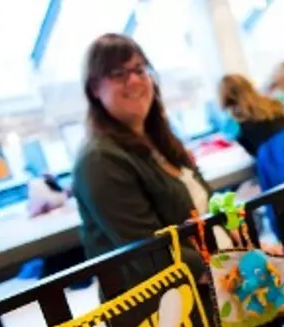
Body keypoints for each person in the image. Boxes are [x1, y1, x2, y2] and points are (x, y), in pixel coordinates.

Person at [73, 34, 216, 294]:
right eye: (118, 74)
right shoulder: (100, 159)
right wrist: (225, 267)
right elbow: (150, 252)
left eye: (139, 69)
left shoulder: (160, 141)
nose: (135, 80)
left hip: (203, 294)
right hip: (158, 318)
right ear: (94, 89)